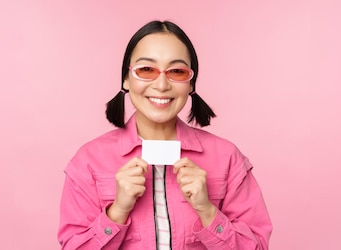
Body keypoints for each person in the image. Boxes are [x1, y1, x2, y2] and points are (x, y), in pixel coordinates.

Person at [58, 20, 272, 249]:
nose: (161, 85)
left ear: (191, 84)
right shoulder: (89, 161)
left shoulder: (228, 158)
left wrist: (207, 211)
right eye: (146, 70)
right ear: (126, 79)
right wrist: (117, 211)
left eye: (177, 71)